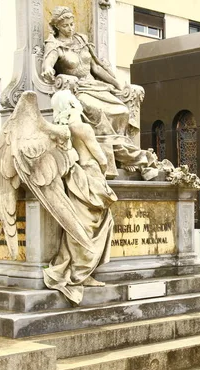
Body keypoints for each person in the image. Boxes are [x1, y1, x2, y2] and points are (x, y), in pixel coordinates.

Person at [41, 6, 150, 172]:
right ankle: (109, 156)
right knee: (98, 111)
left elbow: (97, 69)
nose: (70, 28)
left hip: (96, 86)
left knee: (122, 110)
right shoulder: (55, 46)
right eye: (65, 26)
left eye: (72, 24)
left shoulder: (82, 41)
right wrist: (48, 69)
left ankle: (123, 152)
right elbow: (47, 64)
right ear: (57, 27)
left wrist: (117, 84)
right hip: (77, 90)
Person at [43, 90, 118, 304]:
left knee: (79, 226)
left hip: (75, 179)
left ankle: (80, 271)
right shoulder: (83, 128)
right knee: (94, 226)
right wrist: (103, 170)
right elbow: (100, 157)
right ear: (73, 104)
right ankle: (81, 274)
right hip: (90, 177)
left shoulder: (61, 130)